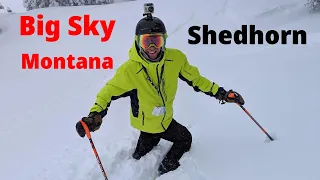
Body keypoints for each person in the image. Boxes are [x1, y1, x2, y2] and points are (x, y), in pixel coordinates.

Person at [75, 14, 245, 175]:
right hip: (146, 124)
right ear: (137, 42)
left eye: (156, 41)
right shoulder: (130, 70)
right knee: (177, 140)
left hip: (165, 120)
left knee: (182, 139)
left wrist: (221, 93)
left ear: (164, 40)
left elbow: (197, 80)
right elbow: (107, 92)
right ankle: (142, 162)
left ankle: (164, 170)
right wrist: (94, 115)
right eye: (146, 41)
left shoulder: (176, 59)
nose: (151, 47)